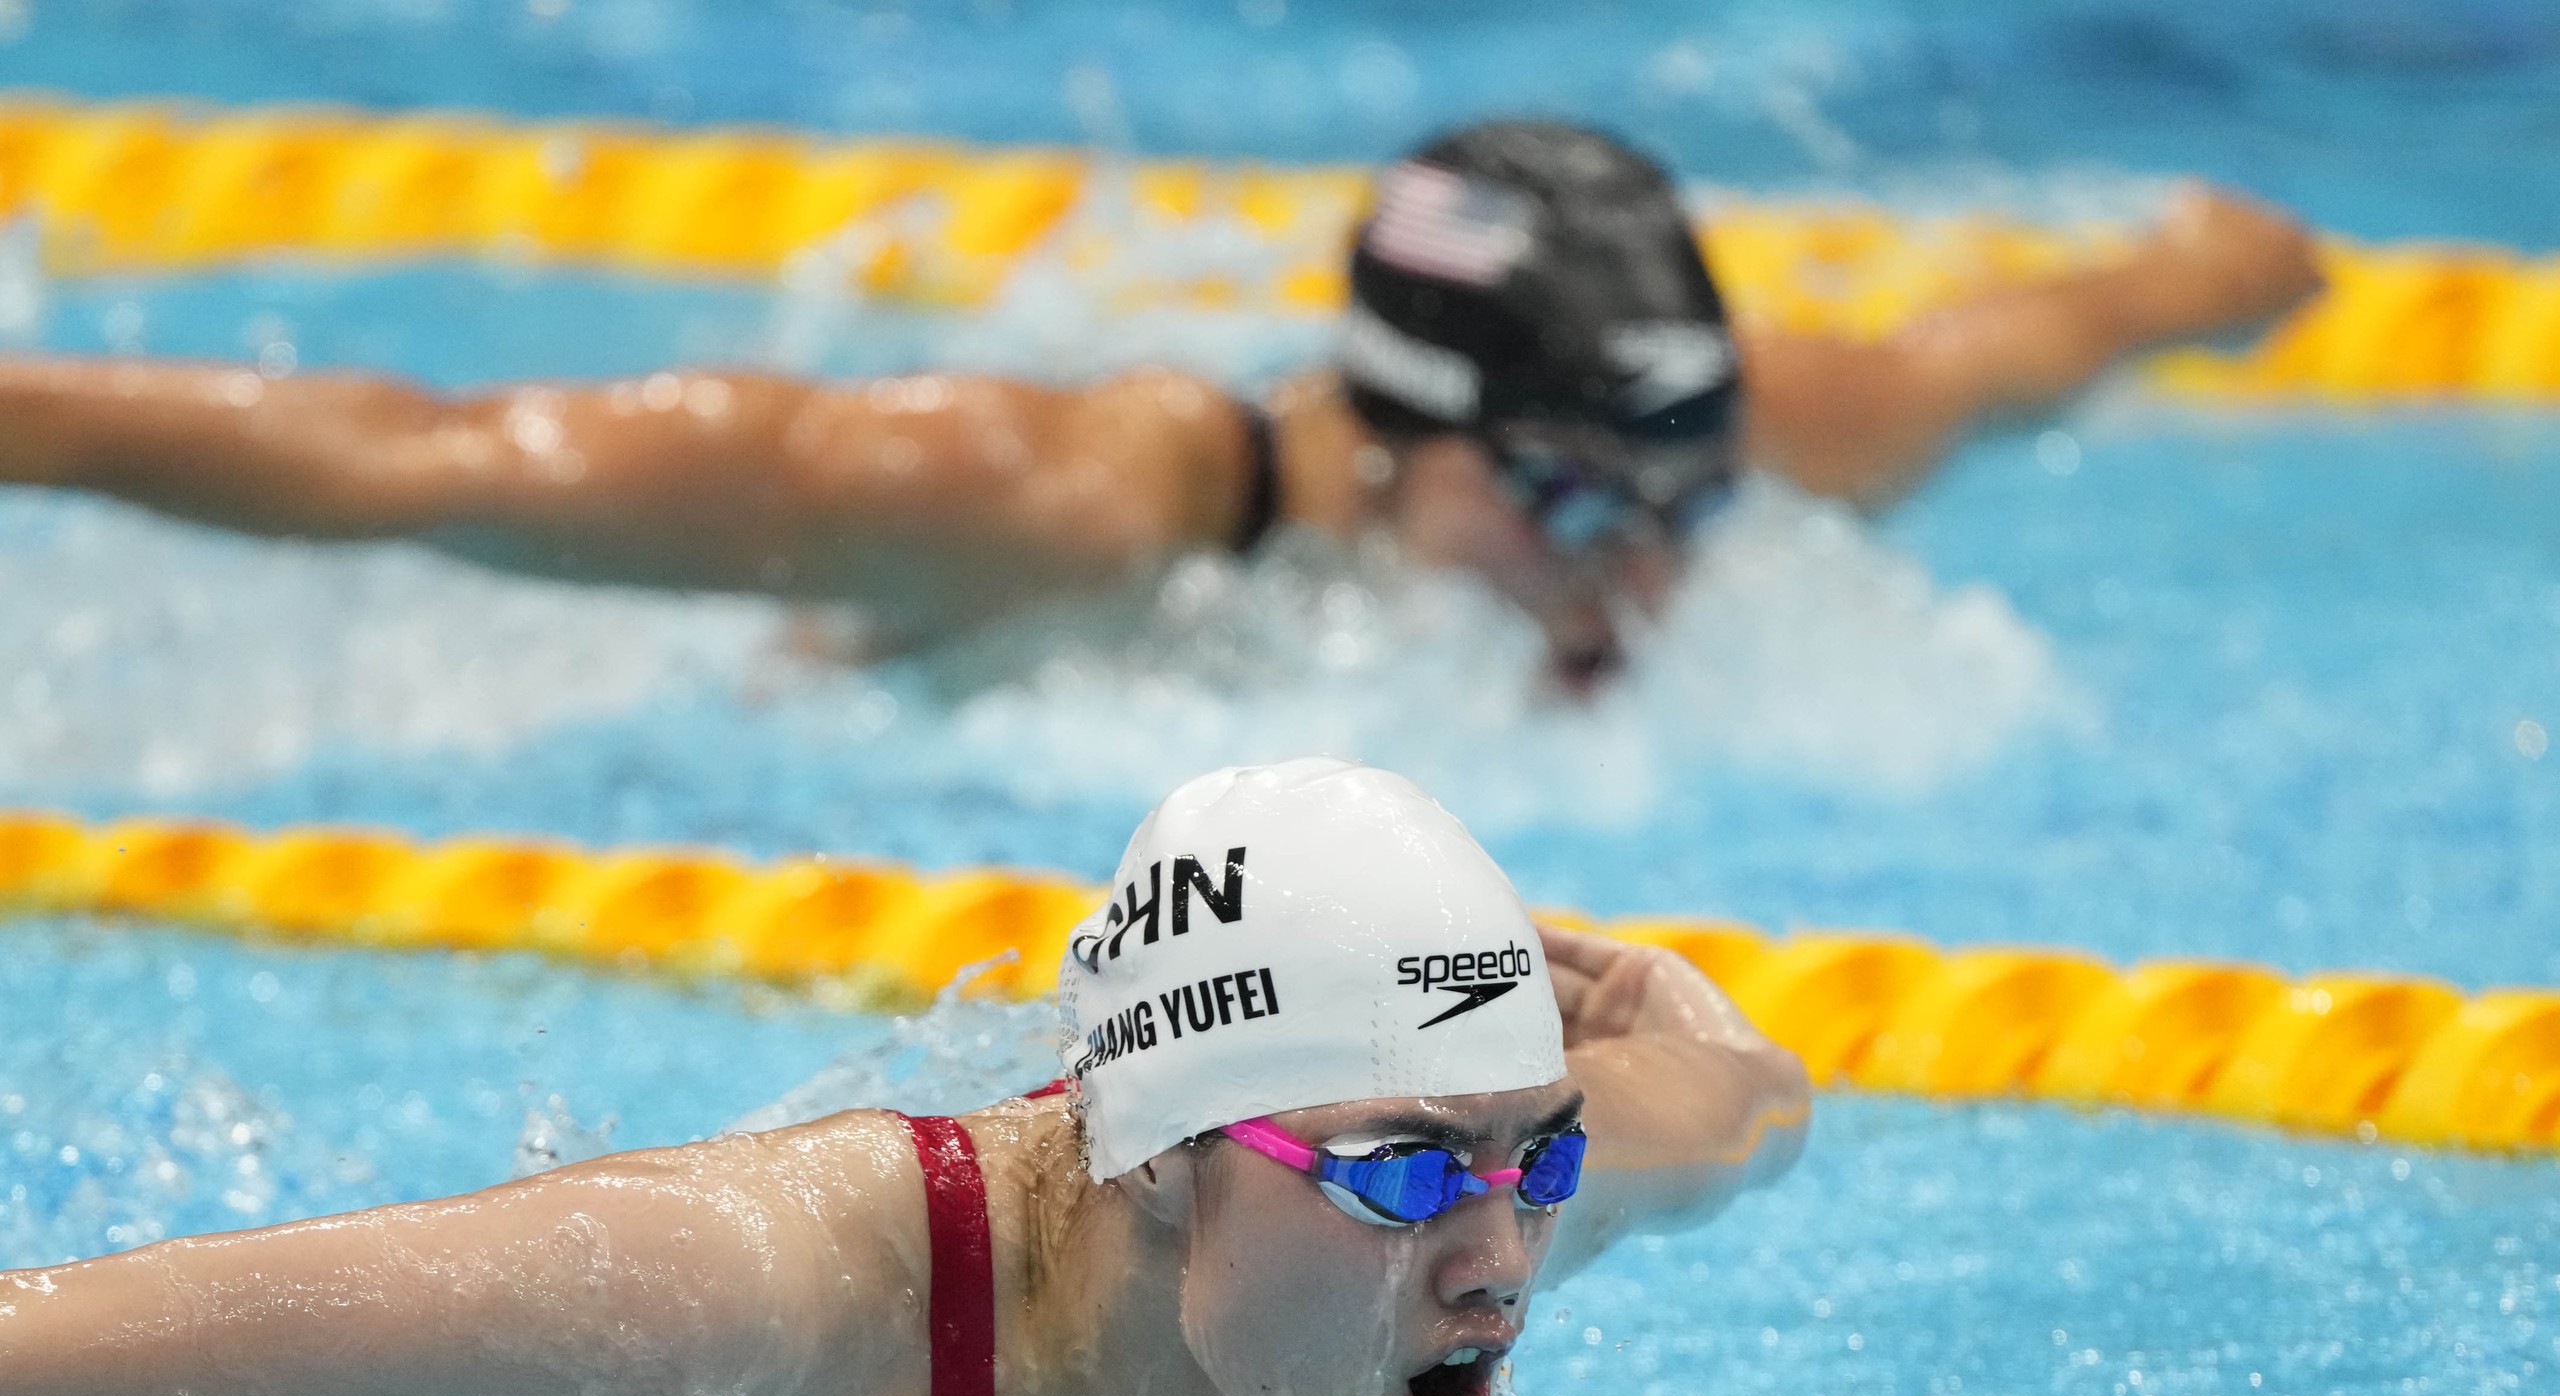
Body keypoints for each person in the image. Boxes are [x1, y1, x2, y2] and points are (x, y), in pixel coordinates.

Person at [0, 757, 1808, 1396]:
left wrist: (1698, 1045)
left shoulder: (1403, 1231)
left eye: (1535, 1154)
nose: (1502, 1261)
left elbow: (1737, 1097)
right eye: (1410, 1170)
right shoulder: (739, 1303)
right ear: (1166, 1157)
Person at [0, 121, 2317, 685]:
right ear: (1396, 432)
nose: (1648, 560)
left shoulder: (1771, 429)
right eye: (1574, 495)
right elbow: (415, 457)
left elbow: (2032, 335)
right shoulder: (1038, 495)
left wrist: (2220, 269)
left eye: (1681, 493)